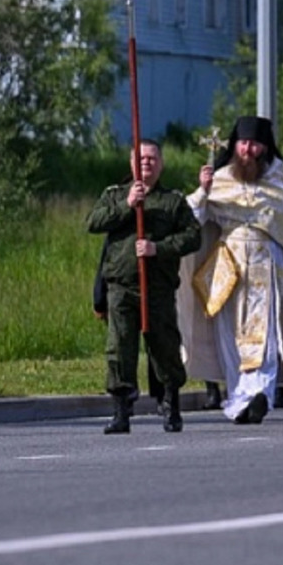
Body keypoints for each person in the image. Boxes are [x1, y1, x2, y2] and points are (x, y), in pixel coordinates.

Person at [179, 116, 283, 425]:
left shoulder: (280, 179)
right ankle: (239, 400)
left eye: (255, 144)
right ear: (234, 145)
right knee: (229, 335)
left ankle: (260, 395)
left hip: (267, 267)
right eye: (243, 143)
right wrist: (203, 190)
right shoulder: (220, 178)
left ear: (265, 147)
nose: (248, 150)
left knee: (266, 334)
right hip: (228, 265)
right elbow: (192, 217)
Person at [85, 140, 202, 434]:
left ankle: (170, 405)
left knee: (164, 347)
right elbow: (94, 222)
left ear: (161, 164)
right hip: (121, 287)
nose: (146, 164)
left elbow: (193, 237)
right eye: (140, 159)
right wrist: (127, 206)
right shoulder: (115, 195)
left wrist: (158, 248)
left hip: (158, 287)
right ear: (131, 164)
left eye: (152, 159)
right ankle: (121, 411)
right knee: (119, 348)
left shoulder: (172, 202)